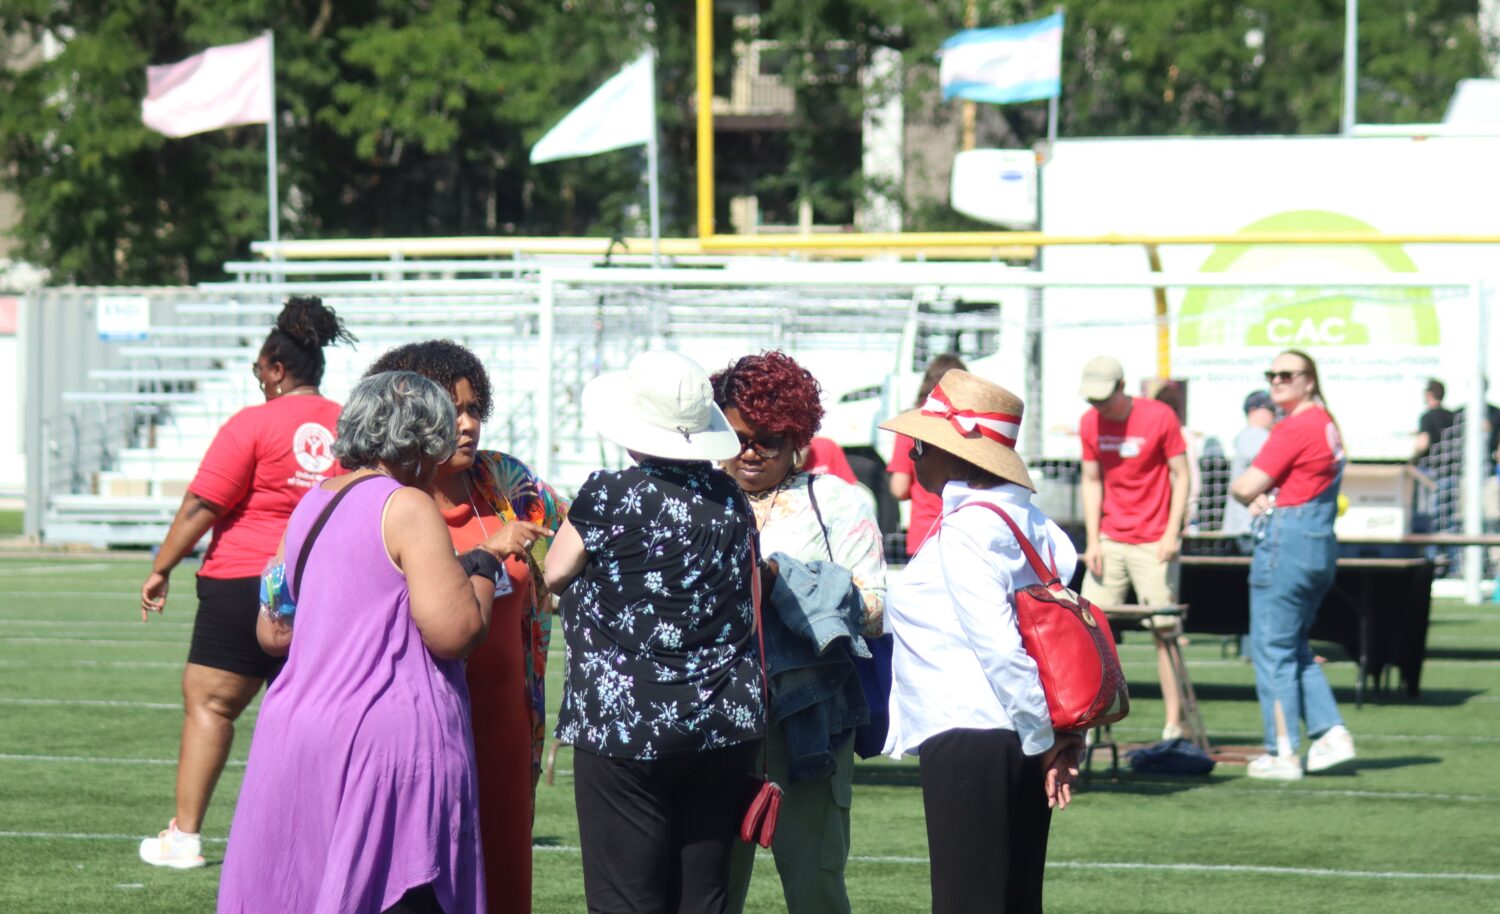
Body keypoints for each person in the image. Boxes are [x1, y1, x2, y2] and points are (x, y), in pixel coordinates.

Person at [218, 371, 500, 913]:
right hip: (384, 740)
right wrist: (483, 569)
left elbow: (272, 630)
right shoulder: (406, 506)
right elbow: (453, 632)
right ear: (422, 441)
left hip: (297, 730)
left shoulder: (311, 504)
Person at [544, 350, 765, 914]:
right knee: (704, 897)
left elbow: (556, 571)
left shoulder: (609, 494)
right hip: (722, 722)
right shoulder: (731, 499)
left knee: (627, 898)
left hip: (625, 724)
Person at [137, 297, 354, 868]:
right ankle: (323, 839)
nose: (258, 380)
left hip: (242, 579)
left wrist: (161, 567)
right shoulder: (349, 423)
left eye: (260, 370)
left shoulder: (251, 423)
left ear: (278, 369)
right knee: (315, 713)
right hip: (321, 584)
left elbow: (202, 505)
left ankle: (183, 838)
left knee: (210, 704)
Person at [367, 341, 567, 914]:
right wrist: (486, 551)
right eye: (451, 409)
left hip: (503, 722)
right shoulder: (380, 495)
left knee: (503, 883)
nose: (468, 424)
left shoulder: (506, 482)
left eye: (475, 408)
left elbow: (578, 539)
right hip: (411, 731)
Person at [879, 369, 1084, 914]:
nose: (912, 456)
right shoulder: (1035, 524)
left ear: (958, 454)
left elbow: (998, 644)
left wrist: (1042, 740)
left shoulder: (970, 528)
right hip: (1020, 730)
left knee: (968, 901)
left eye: (921, 443)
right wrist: (1054, 737)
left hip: (974, 729)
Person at [712, 352, 887, 914]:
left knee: (816, 889)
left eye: (769, 438)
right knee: (709, 891)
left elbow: (877, 609)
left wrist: (793, 584)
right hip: (714, 721)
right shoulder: (698, 498)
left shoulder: (839, 501)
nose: (751, 451)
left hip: (810, 722)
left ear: (798, 438)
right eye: (739, 436)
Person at [1230, 349, 1356, 781]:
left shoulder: (1295, 427)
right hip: (1318, 541)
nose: (1277, 381)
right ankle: (1331, 732)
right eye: (1272, 375)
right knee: (1293, 646)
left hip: (1289, 541)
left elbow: (1245, 484)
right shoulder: (1325, 422)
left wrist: (1249, 492)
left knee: (1271, 650)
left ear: (1309, 380)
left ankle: (1283, 751)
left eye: (1288, 374)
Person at [1077, 355, 1190, 741]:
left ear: (1122, 387)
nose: (1098, 407)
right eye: (1092, 400)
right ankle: (1087, 721)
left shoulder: (1159, 416)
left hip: (1154, 540)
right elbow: (1091, 481)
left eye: (1104, 399)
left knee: (1165, 630)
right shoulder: (1089, 422)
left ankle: (1175, 724)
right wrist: (1093, 539)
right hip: (1111, 538)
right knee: (1086, 626)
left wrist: (1172, 533)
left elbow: (1181, 474)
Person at [887, 354, 967, 557]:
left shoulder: (913, 423)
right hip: (965, 535)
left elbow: (899, 488)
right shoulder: (967, 425)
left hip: (925, 536)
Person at [1221, 390, 1277, 539]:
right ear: (1253, 410)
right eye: (1270, 408)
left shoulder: (1247, 435)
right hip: (1250, 526)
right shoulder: (1256, 435)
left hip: (1243, 525)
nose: (1274, 414)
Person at [1413, 378, 1454, 461]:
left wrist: (1414, 458)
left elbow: (1423, 445)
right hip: (1450, 464)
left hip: (1431, 465)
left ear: (1429, 394)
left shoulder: (1427, 417)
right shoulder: (1453, 416)